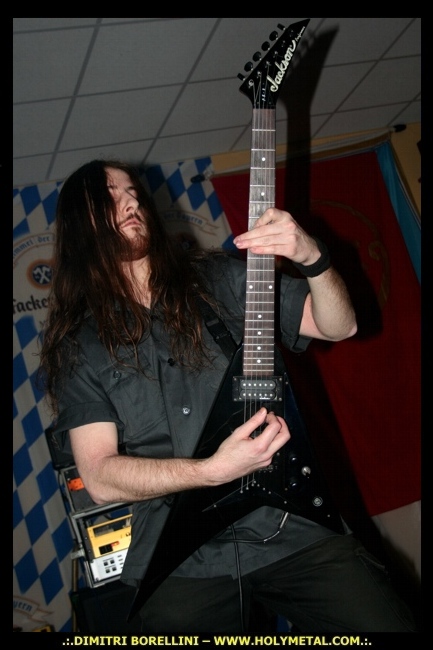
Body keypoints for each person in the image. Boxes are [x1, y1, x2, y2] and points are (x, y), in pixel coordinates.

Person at [39, 159, 417, 635]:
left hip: (288, 522)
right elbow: (99, 476)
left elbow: (340, 326)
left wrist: (312, 256)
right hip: (179, 554)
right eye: (111, 196)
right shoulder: (81, 345)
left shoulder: (216, 278)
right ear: (81, 224)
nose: (131, 202)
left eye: (133, 192)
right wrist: (211, 470)